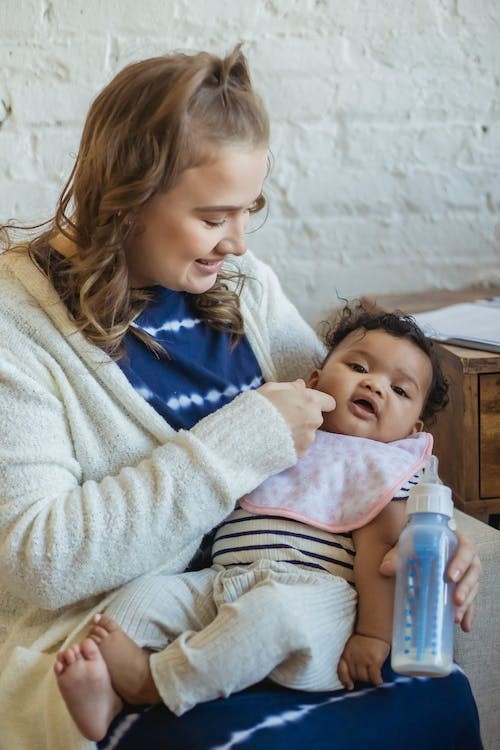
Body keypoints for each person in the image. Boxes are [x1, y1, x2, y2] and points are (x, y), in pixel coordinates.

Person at [0, 45, 481, 750]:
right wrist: (236, 445)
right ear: (127, 197)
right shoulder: (19, 326)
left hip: (276, 600)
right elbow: (36, 561)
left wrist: (427, 524)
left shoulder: (243, 285)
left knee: (438, 698)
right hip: (115, 636)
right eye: (214, 216)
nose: (239, 241)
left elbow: (359, 438)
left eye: (249, 209)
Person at [53, 302, 450, 739]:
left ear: (414, 430)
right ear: (315, 382)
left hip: (312, 596)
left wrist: (373, 636)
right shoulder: (287, 429)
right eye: (358, 366)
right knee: (140, 598)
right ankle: (107, 696)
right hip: (222, 579)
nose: (375, 384)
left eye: (400, 390)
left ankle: (156, 681)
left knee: (270, 615)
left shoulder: (380, 469)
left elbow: (383, 557)